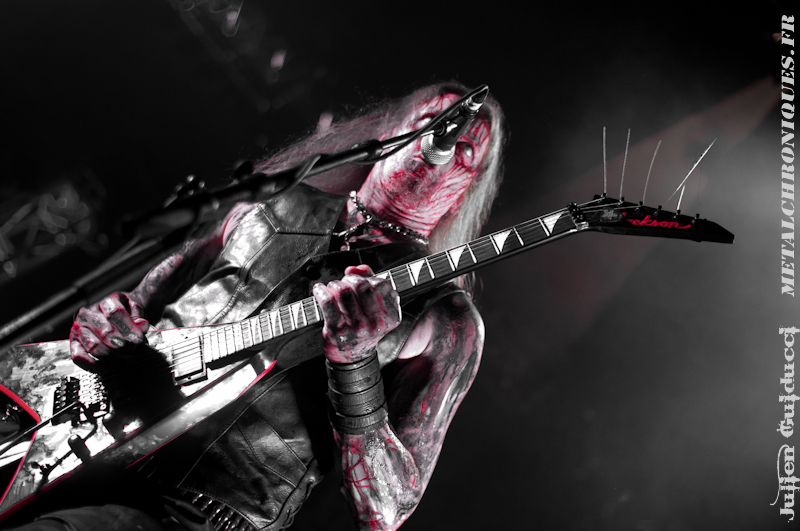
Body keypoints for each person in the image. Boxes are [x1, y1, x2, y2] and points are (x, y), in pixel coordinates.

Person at [15, 82, 505, 531]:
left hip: (193, 514)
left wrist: (355, 363)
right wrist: (103, 325)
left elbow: (386, 509)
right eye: (433, 121)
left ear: (466, 189)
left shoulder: (446, 318)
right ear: (392, 132)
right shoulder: (268, 204)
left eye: (464, 148)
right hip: (77, 442)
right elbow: (132, 306)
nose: (442, 141)